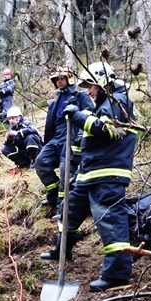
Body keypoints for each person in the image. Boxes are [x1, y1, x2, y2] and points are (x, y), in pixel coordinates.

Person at [39, 61, 138, 292]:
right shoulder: (102, 104)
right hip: (89, 173)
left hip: (108, 174)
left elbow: (106, 130)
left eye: (91, 86)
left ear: (103, 82)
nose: (88, 91)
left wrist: (78, 117)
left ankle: (116, 275)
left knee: (111, 223)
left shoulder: (118, 101)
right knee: (69, 210)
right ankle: (62, 251)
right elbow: (86, 138)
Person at [34, 67, 94, 215]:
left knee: (66, 171)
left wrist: (80, 135)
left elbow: (90, 116)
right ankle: (53, 196)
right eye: (56, 79)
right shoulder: (54, 101)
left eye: (62, 78)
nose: (59, 81)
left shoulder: (80, 96)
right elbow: (50, 124)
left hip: (71, 138)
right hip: (56, 138)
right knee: (40, 162)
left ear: (68, 78)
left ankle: (63, 208)